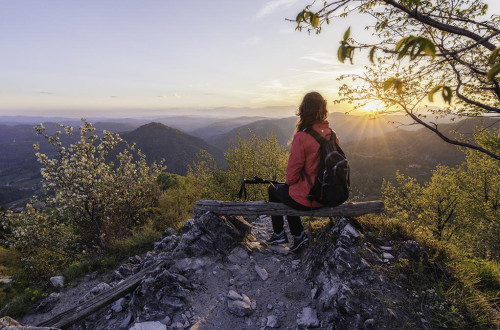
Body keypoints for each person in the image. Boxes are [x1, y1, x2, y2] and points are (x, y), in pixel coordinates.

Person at [267, 91, 339, 252]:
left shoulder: (302, 137)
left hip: (311, 198)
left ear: (304, 110)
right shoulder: (332, 134)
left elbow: (291, 177)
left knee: (274, 189)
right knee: (290, 191)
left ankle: (283, 233)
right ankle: (297, 235)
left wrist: (292, 183)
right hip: (329, 195)